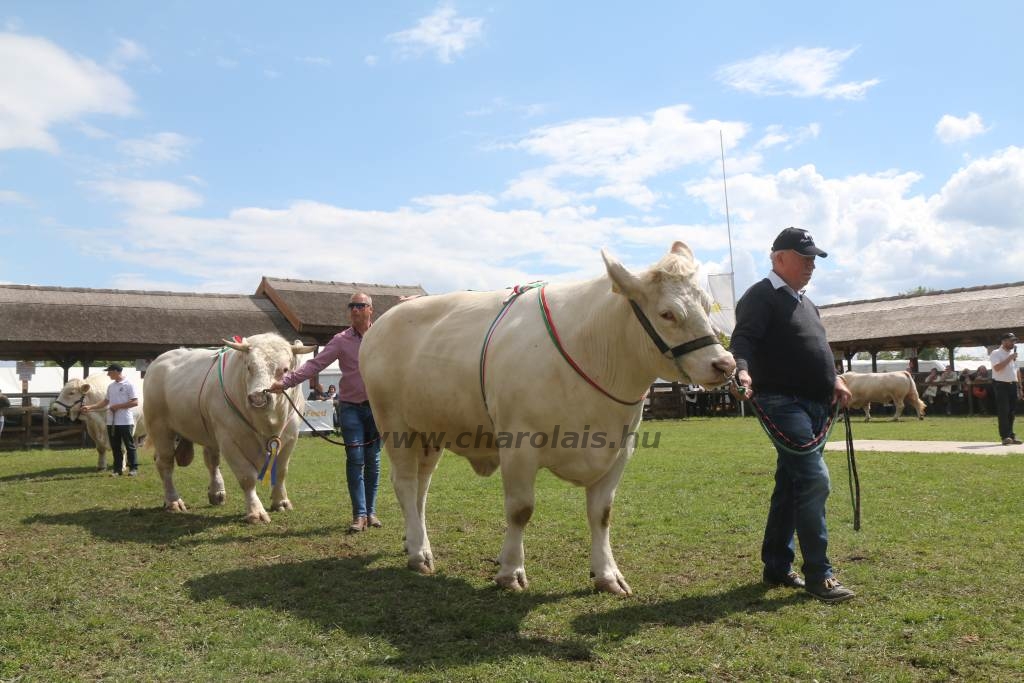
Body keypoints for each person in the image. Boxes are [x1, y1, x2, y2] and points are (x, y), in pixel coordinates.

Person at [730, 227, 855, 603]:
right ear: (778, 257)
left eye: (814, 258)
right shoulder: (760, 296)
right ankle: (820, 574)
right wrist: (742, 369)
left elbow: (817, 347)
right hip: (782, 402)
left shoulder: (805, 302)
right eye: (804, 258)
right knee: (814, 480)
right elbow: (744, 339)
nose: (811, 265)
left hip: (817, 404)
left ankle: (776, 565)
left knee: (791, 485)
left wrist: (834, 378)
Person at [269, 292, 382, 533]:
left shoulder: (383, 336)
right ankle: (359, 514)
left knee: (373, 461)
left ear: (370, 309)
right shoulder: (340, 340)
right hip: (350, 408)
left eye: (360, 305)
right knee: (356, 459)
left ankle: (371, 512)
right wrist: (286, 382)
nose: (355, 309)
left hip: (377, 408)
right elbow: (314, 365)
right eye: (352, 306)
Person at [82, 364, 140, 476]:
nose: (108, 374)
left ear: (116, 371)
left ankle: (133, 469)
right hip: (112, 422)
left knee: (129, 445)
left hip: (125, 421)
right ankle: (117, 470)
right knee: (116, 446)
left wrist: (117, 406)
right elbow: (105, 402)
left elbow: (135, 402)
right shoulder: (111, 386)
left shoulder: (129, 384)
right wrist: (90, 407)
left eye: (109, 372)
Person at [989, 332, 1021, 445]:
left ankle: (1011, 436)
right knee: (1003, 411)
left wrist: (1020, 387)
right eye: (1011, 340)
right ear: (1003, 341)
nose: (1013, 342)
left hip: (1012, 385)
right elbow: (997, 368)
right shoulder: (996, 353)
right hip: (1001, 385)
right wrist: (1010, 358)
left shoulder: (1012, 353)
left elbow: (1016, 371)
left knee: (1011, 412)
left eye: (1014, 340)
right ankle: (1005, 437)